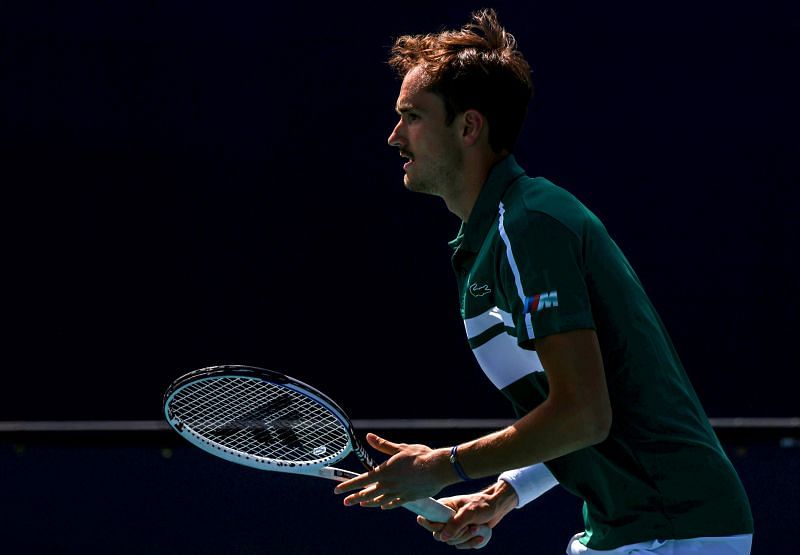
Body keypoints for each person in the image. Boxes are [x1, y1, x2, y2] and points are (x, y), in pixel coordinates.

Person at [334, 8, 754, 554]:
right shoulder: (493, 239)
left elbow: (584, 414)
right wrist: (504, 493)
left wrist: (445, 465)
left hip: (671, 530)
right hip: (635, 528)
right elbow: (582, 414)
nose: (394, 137)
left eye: (412, 117)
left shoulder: (530, 226)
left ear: (468, 127)